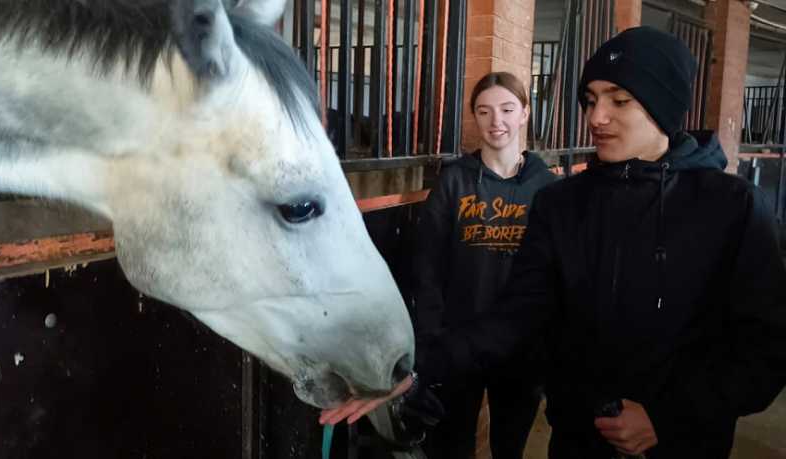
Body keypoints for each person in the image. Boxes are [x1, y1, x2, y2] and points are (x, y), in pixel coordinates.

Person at [320, 26, 786, 458]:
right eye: (590, 99)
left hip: (686, 443)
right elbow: (516, 317)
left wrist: (667, 416)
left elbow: (764, 352)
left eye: (619, 100)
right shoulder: (562, 203)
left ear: (664, 105)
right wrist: (414, 371)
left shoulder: (734, 207)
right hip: (577, 440)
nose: (596, 117)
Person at [411, 71, 555, 458]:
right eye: (485, 111)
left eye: (507, 109)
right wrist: (430, 341)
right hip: (460, 343)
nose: (497, 122)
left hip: (522, 348)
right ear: (474, 116)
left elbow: (557, 275)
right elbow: (428, 268)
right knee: (451, 447)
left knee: (509, 446)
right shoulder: (454, 181)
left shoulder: (547, 188)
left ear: (525, 113)